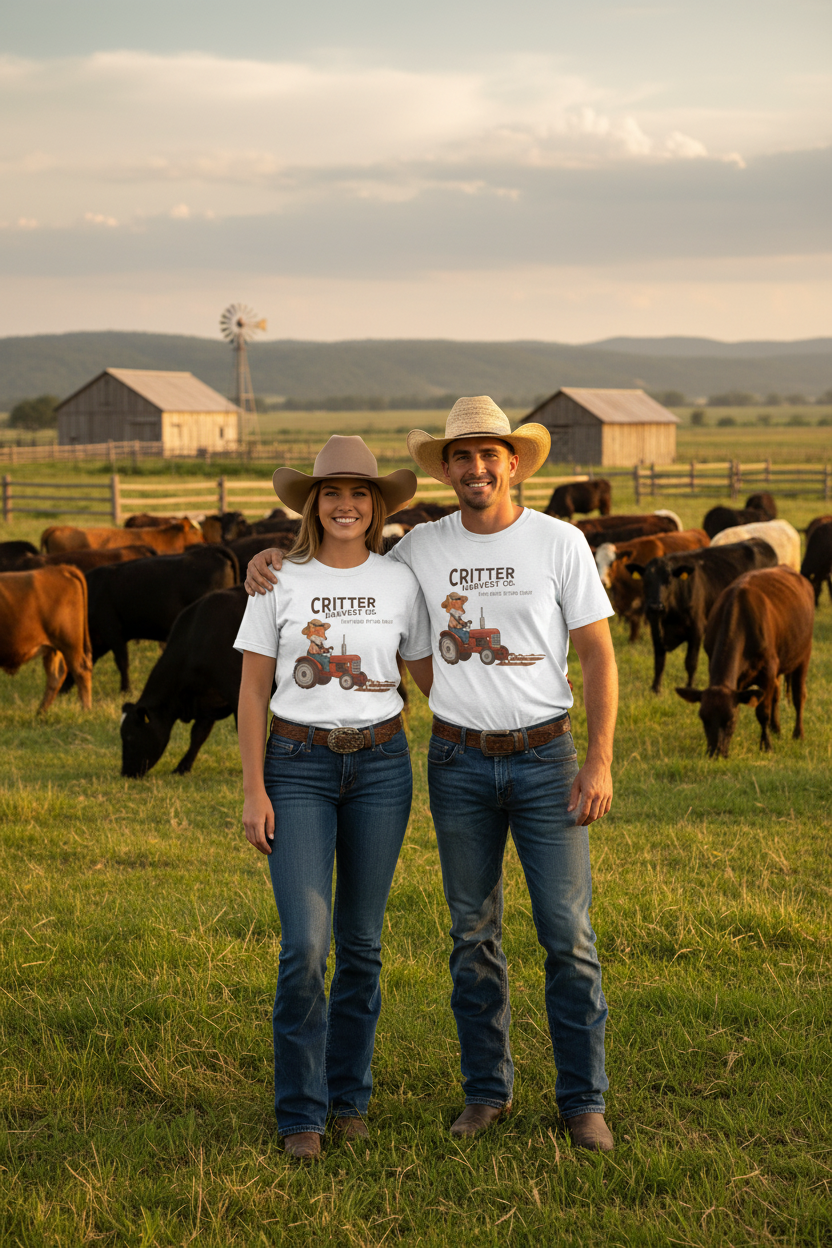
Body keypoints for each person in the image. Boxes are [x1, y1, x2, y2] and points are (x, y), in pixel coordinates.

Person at [245, 397, 619, 1152]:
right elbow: (411, 647)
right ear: (445, 469)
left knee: (567, 934)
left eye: (490, 455)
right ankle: (487, 1091)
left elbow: (600, 655)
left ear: (513, 463)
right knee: (470, 933)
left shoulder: (561, 542)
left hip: (549, 759)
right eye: (461, 456)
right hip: (455, 761)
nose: (476, 468)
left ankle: (583, 1101)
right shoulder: (418, 550)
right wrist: (264, 560)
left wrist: (599, 758)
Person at [235, 435, 433, 1161]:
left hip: (383, 764)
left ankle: (350, 1097)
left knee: (364, 944)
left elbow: (427, 675)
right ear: (312, 504)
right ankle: (300, 1112)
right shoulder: (277, 580)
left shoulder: (400, 580)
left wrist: (498, 711)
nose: (345, 505)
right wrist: (255, 789)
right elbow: (254, 690)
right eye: (332, 493)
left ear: (377, 505)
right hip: (297, 766)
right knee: (305, 946)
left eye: (360, 494)